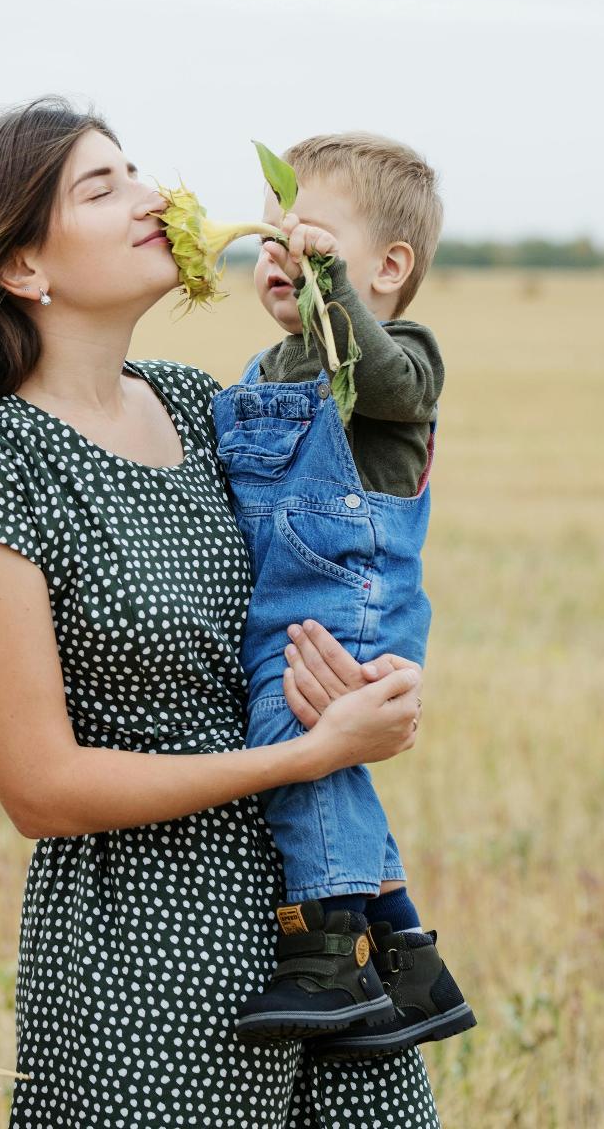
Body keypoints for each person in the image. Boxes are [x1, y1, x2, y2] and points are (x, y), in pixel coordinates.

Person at [0, 97, 440, 1126]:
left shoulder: (192, 402)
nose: (155, 196)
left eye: (137, 171)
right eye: (103, 186)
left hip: (321, 932)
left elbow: (332, 548)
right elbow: (41, 788)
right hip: (153, 964)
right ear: (24, 268)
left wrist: (376, 672)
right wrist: (304, 757)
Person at [212, 134, 476, 1057]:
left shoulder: (403, 358)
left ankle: (327, 948)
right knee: (333, 764)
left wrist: (334, 291)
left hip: (355, 600)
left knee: (303, 751)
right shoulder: (260, 373)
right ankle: (405, 950)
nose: (282, 256)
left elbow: (381, 380)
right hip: (295, 601)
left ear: (390, 266)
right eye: (274, 241)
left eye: (311, 236)